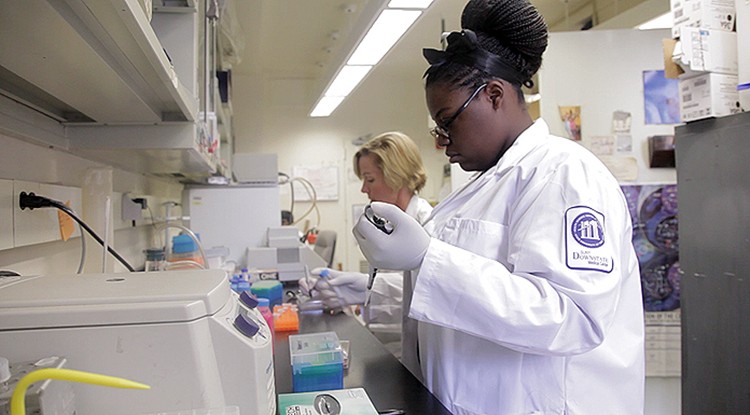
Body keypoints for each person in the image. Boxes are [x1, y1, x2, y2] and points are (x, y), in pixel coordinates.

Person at [352, 1, 645, 414]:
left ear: (493, 95)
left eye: (448, 120)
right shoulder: (483, 185)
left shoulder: (565, 176)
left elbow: (572, 316)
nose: (441, 141)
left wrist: (428, 257)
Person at [298, 131, 432, 363]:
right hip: (388, 348)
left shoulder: (427, 222)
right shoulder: (388, 219)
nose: (363, 189)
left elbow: (428, 291)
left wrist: (365, 290)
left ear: (396, 177)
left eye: (369, 179)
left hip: (412, 354)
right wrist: (352, 292)